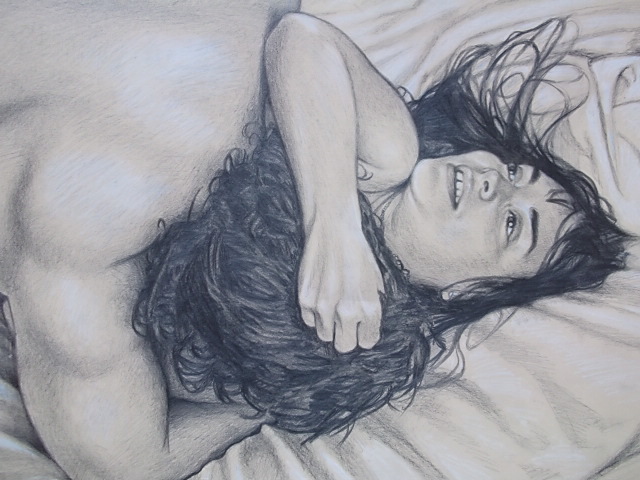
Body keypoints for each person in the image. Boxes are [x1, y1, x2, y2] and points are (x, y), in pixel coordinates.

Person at [0, 3, 628, 480]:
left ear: (468, 291)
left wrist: (272, 399)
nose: (495, 178)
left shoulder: (109, 234)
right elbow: (301, 39)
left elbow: (130, 462)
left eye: (514, 223)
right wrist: (335, 227)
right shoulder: (385, 156)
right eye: (516, 170)